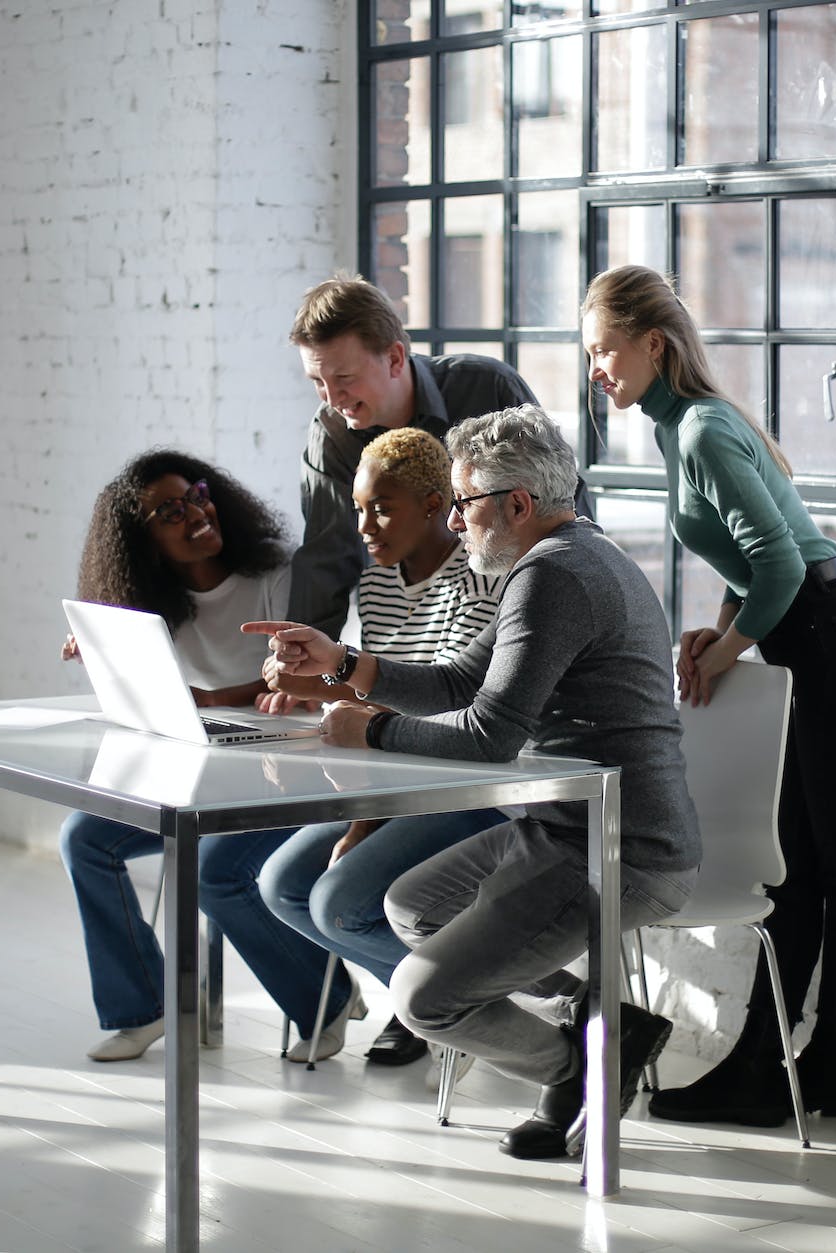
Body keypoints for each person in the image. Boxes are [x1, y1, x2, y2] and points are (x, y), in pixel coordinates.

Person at [245, 405, 697, 1160]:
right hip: (565, 828)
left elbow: (489, 736)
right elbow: (461, 678)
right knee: (411, 905)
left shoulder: (554, 575)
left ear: (515, 504)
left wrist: (373, 725)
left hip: (622, 846)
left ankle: (582, 1065)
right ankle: (600, 1017)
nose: (455, 523)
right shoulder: (565, 557)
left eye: (463, 504)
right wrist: (344, 665)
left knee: (424, 997)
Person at [579, 265, 836, 1124]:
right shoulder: (677, 426)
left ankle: (827, 1063)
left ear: (654, 343)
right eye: (589, 356)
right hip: (815, 640)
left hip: (833, 641)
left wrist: (730, 645)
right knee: (795, 869)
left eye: (605, 351)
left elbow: (788, 563)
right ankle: (767, 1061)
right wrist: (718, 626)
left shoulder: (701, 431)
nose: (596, 371)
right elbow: (753, 557)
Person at [56, 449, 356, 1063]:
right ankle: (144, 1006)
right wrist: (106, 653)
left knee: (214, 870)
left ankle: (326, 1001)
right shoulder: (149, 602)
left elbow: (307, 678)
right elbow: (157, 702)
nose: (195, 513)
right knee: (85, 840)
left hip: (288, 767)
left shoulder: (277, 574)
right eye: (170, 511)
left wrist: (214, 697)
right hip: (203, 769)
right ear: (144, 542)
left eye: (196, 493)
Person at [255, 427, 509, 1067]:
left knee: (337, 906)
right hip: (396, 781)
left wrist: (366, 820)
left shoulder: (479, 581)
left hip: (463, 786)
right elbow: (378, 694)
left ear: (433, 505)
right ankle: (440, 1001)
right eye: (359, 508)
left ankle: (446, 1003)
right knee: (283, 885)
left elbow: (445, 710)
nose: (365, 525)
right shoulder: (376, 586)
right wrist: (308, 687)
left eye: (384, 508)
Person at [286, 273, 590, 637]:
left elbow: (563, 503)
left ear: (395, 358)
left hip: (522, 608)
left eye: (344, 378)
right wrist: (300, 654)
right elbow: (326, 556)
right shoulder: (331, 433)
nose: (331, 399)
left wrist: (583, 608)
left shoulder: (486, 387)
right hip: (406, 625)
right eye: (317, 382)